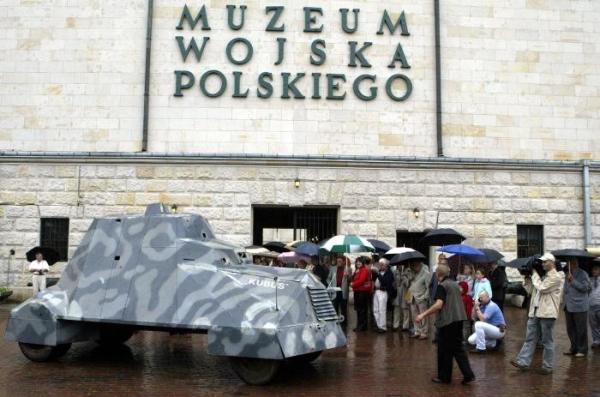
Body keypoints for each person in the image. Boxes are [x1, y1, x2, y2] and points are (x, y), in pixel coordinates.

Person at [415, 264, 475, 385]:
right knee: (458, 349)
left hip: (448, 321)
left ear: (438, 274)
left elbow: (439, 304)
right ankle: (468, 374)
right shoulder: (454, 284)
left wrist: (423, 314)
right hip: (459, 319)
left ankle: (444, 377)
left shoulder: (442, 286)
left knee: (444, 350)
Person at [511, 253, 565, 375]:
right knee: (530, 338)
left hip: (547, 313)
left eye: (545, 262)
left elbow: (542, 288)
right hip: (535, 311)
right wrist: (527, 277)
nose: (542, 264)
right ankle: (523, 362)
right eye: (542, 262)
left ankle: (547, 366)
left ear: (552, 262)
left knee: (547, 341)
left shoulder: (556, 277)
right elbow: (530, 290)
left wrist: (534, 272)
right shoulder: (541, 276)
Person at [563, 258, 592, 358]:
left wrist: (573, 281)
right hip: (568, 305)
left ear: (574, 263)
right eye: (567, 262)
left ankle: (582, 349)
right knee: (570, 329)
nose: (567, 264)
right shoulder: (567, 273)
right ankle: (574, 347)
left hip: (580, 306)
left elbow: (586, 288)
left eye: (569, 262)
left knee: (581, 329)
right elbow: (566, 289)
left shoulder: (583, 274)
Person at [327, 255, 351, 331]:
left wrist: (348, 276)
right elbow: (328, 278)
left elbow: (350, 280)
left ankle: (344, 323)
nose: (338, 263)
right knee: (335, 307)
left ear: (344, 262)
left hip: (343, 291)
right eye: (337, 261)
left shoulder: (348, 269)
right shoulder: (333, 268)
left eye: (340, 261)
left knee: (343, 308)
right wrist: (330, 284)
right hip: (335, 290)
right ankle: (335, 322)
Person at [373, 258, 396, 333]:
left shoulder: (389, 273)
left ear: (386, 265)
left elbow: (384, 282)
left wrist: (378, 274)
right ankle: (378, 325)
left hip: (383, 292)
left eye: (382, 265)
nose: (381, 266)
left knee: (382, 310)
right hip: (376, 291)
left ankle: (383, 327)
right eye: (380, 265)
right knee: (375, 309)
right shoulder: (379, 272)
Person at [409, 261, 430, 339]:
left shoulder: (426, 273)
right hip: (412, 297)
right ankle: (417, 331)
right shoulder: (412, 273)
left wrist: (425, 297)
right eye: (413, 266)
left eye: (415, 266)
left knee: (423, 316)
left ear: (419, 265)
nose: (414, 267)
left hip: (421, 298)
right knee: (414, 315)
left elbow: (428, 287)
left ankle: (424, 332)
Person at [351, 257, 371, 332]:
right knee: (359, 310)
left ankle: (361, 326)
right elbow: (353, 279)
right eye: (357, 262)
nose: (358, 263)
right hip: (357, 292)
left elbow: (361, 281)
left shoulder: (364, 270)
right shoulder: (357, 270)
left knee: (361, 310)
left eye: (359, 262)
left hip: (362, 293)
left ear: (362, 263)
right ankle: (361, 326)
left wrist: (353, 284)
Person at [400, 262, 415, 333]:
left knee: (411, 310)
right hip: (406, 293)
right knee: (406, 310)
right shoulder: (403, 275)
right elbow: (407, 284)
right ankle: (405, 326)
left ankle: (411, 326)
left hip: (411, 293)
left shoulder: (413, 272)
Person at [589, 263, 600, 349]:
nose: (594, 271)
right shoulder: (590, 280)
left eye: (596, 269)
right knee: (593, 325)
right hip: (591, 305)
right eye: (593, 269)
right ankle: (596, 340)